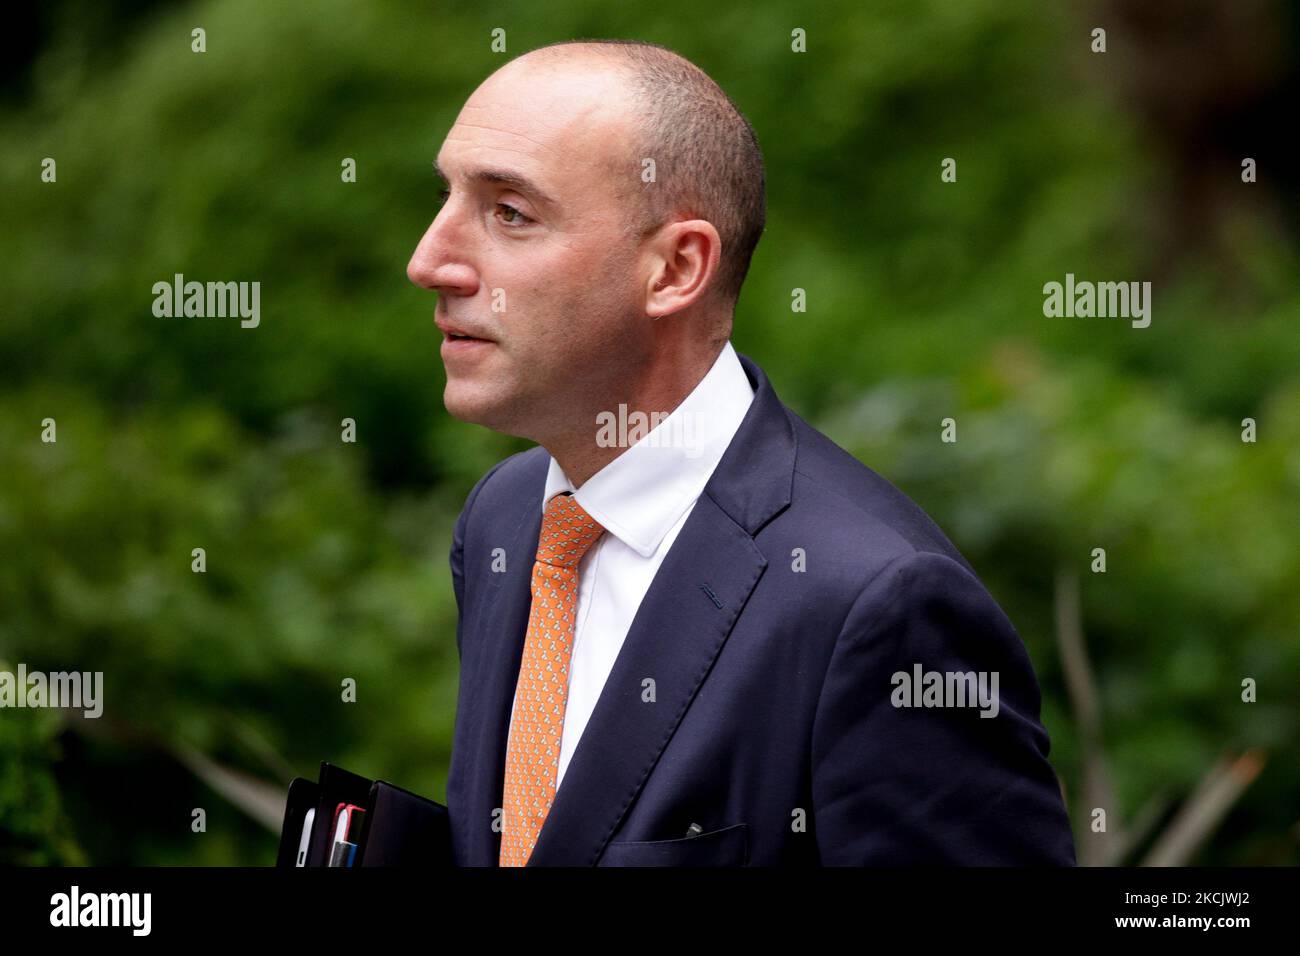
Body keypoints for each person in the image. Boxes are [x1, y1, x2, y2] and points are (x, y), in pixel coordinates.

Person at [407, 39, 1076, 866]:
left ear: (676, 268)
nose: (428, 261)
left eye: (509, 212)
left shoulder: (879, 606)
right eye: (447, 198)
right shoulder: (507, 520)